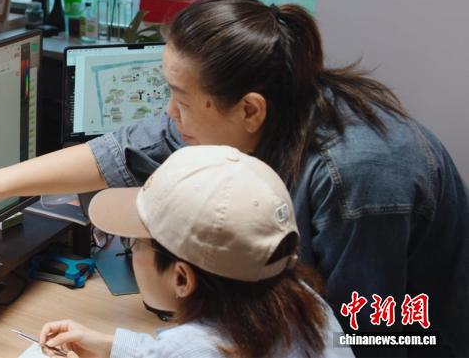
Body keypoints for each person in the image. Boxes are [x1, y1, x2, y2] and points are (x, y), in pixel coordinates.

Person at [0, 0, 469, 356]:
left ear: (249, 110)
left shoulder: (362, 178)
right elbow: (122, 150)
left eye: (181, 99)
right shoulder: (246, 113)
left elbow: (367, 336)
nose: (169, 114)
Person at [39, 146, 353, 358]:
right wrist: (111, 346)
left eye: (134, 242)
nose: (131, 251)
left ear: (182, 278)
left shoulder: (195, 348)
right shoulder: (305, 302)